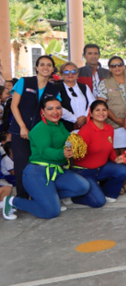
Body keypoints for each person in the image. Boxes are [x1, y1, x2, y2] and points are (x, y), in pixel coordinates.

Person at [1, 97, 90, 220]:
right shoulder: (40, 128)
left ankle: (50, 198)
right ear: (42, 111)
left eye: (58, 108)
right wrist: (62, 153)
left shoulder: (60, 125)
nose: (55, 111)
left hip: (57, 170)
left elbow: (67, 141)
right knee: (51, 212)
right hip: (38, 173)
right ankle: (13, 202)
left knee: (83, 187)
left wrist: (74, 146)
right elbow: (45, 151)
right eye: (50, 108)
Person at [9, 55, 60, 198]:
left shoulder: (53, 89)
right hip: (20, 131)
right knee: (22, 164)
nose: (45, 67)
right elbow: (14, 105)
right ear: (36, 67)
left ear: (52, 69)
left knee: (41, 164)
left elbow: (56, 109)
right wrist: (22, 127)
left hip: (41, 132)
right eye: (42, 64)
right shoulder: (24, 82)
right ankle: (22, 198)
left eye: (49, 65)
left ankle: (39, 196)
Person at [72, 100, 126, 207]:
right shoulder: (85, 131)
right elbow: (77, 155)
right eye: (97, 110)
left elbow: (110, 148)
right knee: (98, 202)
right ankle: (77, 195)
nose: (101, 113)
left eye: (104, 110)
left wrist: (115, 159)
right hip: (85, 172)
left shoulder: (109, 129)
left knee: (124, 170)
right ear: (91, 113)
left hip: (101, 169)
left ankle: (107, 192)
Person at [97, 56, 126, 154]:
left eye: (119, 64)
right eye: (113, 65)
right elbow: (102, 105)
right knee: (116, 155)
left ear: (123, 66)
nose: (117, 67)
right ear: (109, 68)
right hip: (113, 124)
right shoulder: (104, 83)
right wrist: (116, 119)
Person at [57, 62, 95, 133]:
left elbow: (92, 103)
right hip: (65, 128)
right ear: (61, 74)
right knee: (68, 144)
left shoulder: (84, 87)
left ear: (77, 74)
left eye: (73, 71)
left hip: (85, 126)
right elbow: (57, 107)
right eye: (66, 72)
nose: (70, 74)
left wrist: (85, 117)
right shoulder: (56, 88)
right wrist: (75, 119)